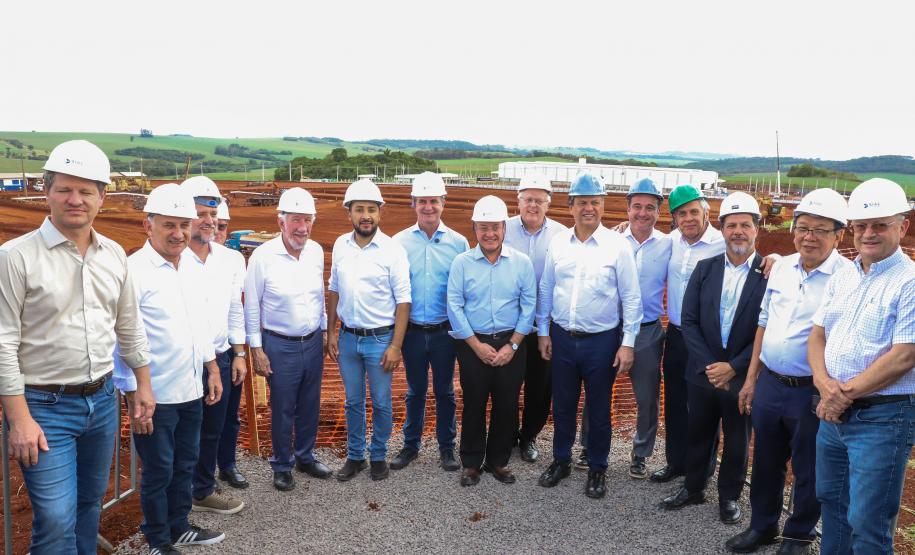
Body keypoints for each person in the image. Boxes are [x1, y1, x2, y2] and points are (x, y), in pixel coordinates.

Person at [0, 140, 154, 555]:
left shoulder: (115, 255)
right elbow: (3, 342)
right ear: (46, 191)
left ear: (102, 197)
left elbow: (129, 324)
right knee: (53, 517)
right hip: (44, 407)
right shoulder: (15, 258)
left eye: (86, 191)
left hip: (102, 402)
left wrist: (143, 383)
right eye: (65, 189)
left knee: (88, 505)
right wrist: (19, 420)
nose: (75, 200)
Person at [726, 189, 851, 554]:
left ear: (838, 235)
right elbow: (763, 324)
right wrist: (750, 381)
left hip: (810, 390)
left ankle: (798, 535)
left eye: (820, 230)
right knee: (765, 460)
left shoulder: (846, 278)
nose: (809, 236)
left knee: (809, 468)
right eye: (803, 228)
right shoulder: (781, 267)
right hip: (770, 384)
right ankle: (762, 526)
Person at [114, 183, 225, 555]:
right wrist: (133, 391)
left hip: (191, 388)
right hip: (155, 396)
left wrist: (211, 368)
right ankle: (157, 539)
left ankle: (180, 526)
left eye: (183, 224)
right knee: (159, 470)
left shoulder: (190, 266)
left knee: (185, 463)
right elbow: (123, 338)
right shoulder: (134, 271)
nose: (178, 233)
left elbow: (199, 324)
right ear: (149, 226)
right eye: (168, 225)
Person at [809, 178, 915, 554]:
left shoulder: (910, 282)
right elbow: (817, 336)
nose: (868, 234)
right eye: (861, 226)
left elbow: (905, 355)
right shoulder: (845, 274)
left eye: (879, 225)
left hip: (882, 419)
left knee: (869, 523)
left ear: (902, 226)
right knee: (832, 503)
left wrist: (842, 395)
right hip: (833, 415)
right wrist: (824, 386)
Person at [663, 192, 768, 526]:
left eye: (744, 225)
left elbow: (769, 330)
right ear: (721, 229)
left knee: (738, 440)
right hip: (704, 372)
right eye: (732, 225)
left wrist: (734, 367)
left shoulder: (769, 274)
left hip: (740, 375)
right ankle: (693, 487)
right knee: (699, 432)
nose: (738, 231)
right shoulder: (705, 268)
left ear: (756, 229)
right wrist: (710, 365)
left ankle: (729, 498)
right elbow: (688, 320)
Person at [536, 173, 642, 498]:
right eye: (582, 202)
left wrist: (627, 343)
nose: (589, 208)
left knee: (598, 409)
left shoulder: (618, 246)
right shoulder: (558, 243)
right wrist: (543, 332)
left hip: (602, 342)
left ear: (602, 205)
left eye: (595, 202)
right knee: (564, 404)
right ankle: (561, 460)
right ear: (570, 206)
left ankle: (598, 468)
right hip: (563, 338)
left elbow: (632, 297)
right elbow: (546, 288)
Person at [244, 187, 331, 491]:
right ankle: (282, 464)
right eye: (295, 220)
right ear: (281, 221)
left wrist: (322, 329)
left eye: (307, 220)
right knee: (282, 408)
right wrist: (256, 348)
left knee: (309, 404)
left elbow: (319, 295)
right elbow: (252, 305)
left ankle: (305, 456)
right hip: (278, 345)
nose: (302, 227)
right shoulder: (262, 257)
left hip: (311, 342)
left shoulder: (316, 251)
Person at [447, 195, 536, 487]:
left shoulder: (521, 263)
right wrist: (476, 345)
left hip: (512, 342)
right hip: (473, 344)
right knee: (474, 402)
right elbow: (454, 306)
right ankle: (471, 463)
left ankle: (498, 461)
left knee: (507, 403)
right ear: (474, 228)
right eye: (483, 227)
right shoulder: (462, 263)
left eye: (495, 227)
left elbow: (529, 305)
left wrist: (512, 346)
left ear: (504, 228)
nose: (490, 234)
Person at [327, 179, 411, 482]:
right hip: (348, 339)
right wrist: (332, 332)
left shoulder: (392, 250)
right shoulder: (340, 245)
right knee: (352, 401)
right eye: (359, 209)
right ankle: (355, 456)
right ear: (349, 212)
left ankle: (378, 455)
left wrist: (395, 346)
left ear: (380, 213)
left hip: (380, 340)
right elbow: (334, 288)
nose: (366, 215)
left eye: (371, 210)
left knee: (381, 401)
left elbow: (403, 301)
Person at [391, 172, 468, 472]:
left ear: (443, 203)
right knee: (415, 390)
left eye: (433, 201)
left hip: (444, 333)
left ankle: (447, 448)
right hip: (411, 332)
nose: (428, 207)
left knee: (446, 391)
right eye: (422, 201)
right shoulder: (399, 243)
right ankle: (411, 445)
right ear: (413, 204)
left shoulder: (458, 244)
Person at [179, 177, 248, 512]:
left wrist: (238, 353)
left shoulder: (231, 260)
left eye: (212, 213)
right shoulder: (172, 260)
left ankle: (203, 490)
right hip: (182, 362)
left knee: (211, 430)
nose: (207, 220)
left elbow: (235, 309)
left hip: (220, 358)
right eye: (199, 213)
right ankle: (176, 494)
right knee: (180, 431)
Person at [650, 184, 725, 483]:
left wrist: (773, 258)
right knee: (676, 402)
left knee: (705, 409)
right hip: (678, 337)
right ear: (674, 219)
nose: (689, 218)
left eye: (694, 211)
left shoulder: (722, 244)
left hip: (708, 341)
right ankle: (676, 463)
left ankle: (701, 473)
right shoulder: (671, 242)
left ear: (706, 212)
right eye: (682, 213)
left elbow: (754, 256)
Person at [503, 172, 565, 463]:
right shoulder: (503, 229)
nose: (533, 205)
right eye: (528, 199)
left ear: (548, 204)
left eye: (539, 200)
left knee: (540, 388)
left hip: (544, 327)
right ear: (518, 201)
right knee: (507, 384)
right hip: (509, 324)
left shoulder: (562, 235)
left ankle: (528, 437)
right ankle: (506, 434)